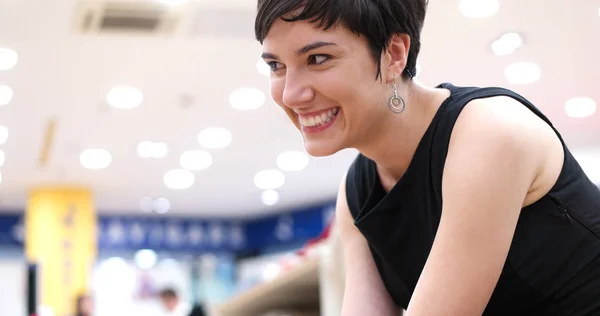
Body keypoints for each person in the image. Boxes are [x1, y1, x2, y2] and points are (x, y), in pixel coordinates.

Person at [253, 1, 600, 315]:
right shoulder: (356, 192)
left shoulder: (489, 135)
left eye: (318, 58)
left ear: (393, 54)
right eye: (276, 65)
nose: (290, 93)